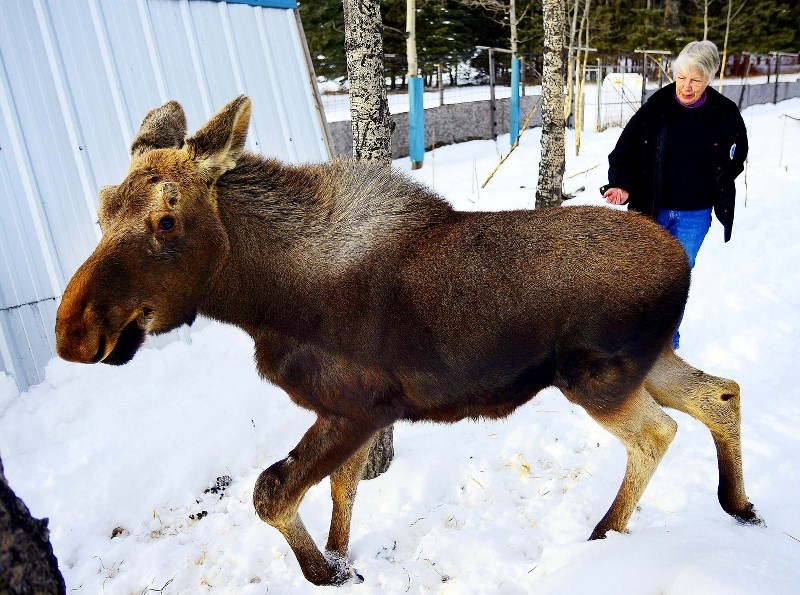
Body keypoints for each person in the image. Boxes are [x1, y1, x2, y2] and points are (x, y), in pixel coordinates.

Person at [601, 40, 748, 349]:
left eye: (695, 79)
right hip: (653, 209)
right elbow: (625, 150)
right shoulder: (658, 106)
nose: (686, 86)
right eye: (681, 77)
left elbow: (738, 153)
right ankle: (634, 339)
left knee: (676, 279)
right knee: (642, 275)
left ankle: (666, 342)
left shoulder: (725, 113)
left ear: (708, 78)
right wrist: (621, 184)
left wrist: (719, 179)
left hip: (694, 216)